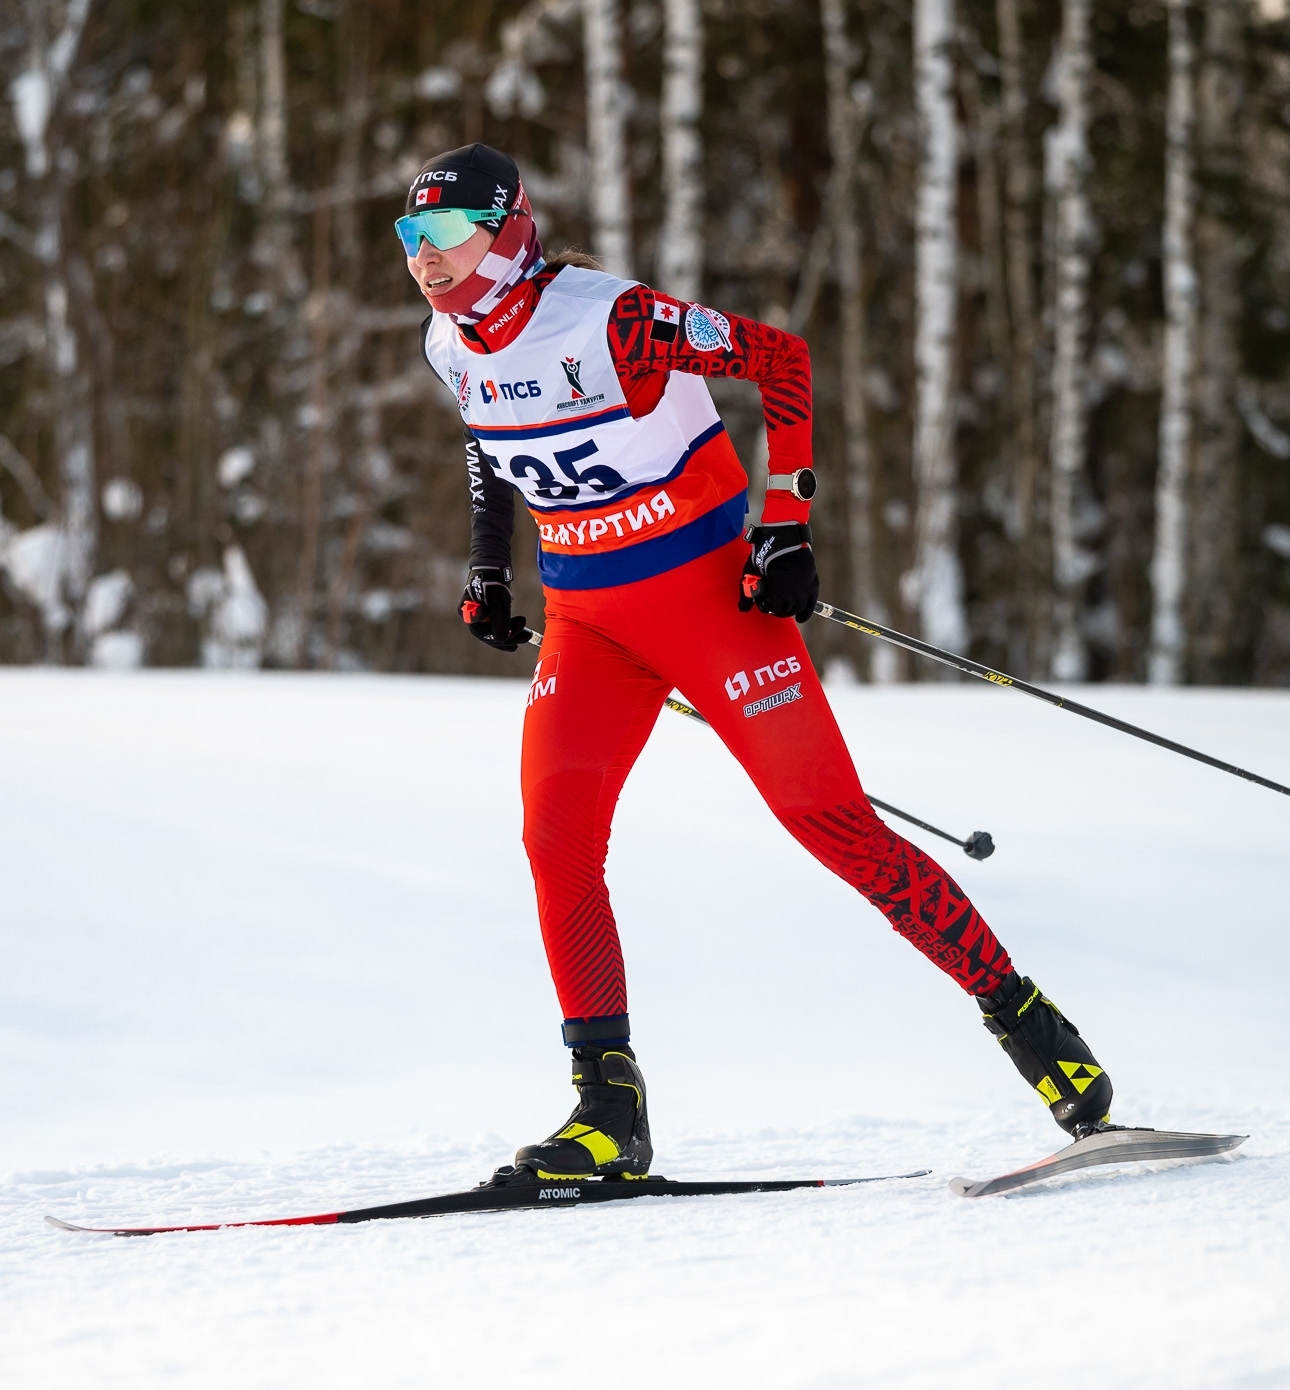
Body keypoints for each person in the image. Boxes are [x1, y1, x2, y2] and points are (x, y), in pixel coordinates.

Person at [400, 144, 1113, 1179]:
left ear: (508, 234)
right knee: (556, 840)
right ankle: (609, 1113)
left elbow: (781, 358)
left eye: (445, 233)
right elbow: (486, 436)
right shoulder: (447, 342)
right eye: (410, 236)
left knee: (833, 827)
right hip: (588, 623)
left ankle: (1032, 1025)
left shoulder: (617, 320)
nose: (424, 257)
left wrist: (786, 523)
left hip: (710, 606)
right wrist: (486, 566)